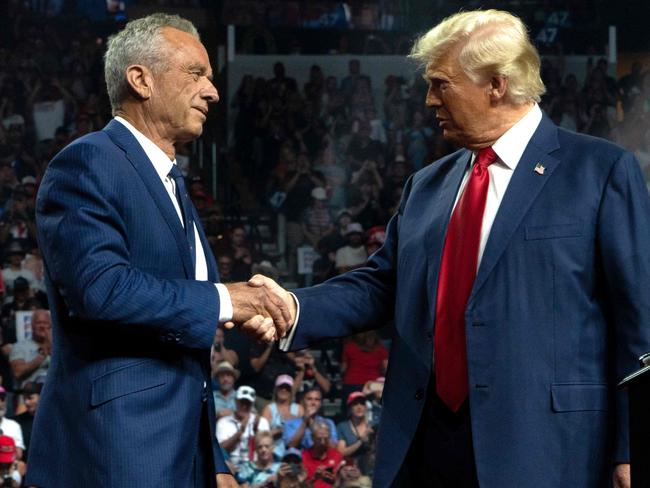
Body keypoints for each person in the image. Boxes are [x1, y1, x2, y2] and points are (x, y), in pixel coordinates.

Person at [252, 9, 650, 488]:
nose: (428, 99)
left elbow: (640, 321)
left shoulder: (600, 170)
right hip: (428, 444)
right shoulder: (427, 185)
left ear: (497, 85)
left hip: (548, 446)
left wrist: (631, 444)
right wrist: (291, 307)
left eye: (441, 84)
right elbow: (382, 285)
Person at [27, 13, 291, 488]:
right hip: (115, 450)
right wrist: (229, 300)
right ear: (141, 79)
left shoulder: (171, 183)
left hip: (181, 454)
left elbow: (181, 351)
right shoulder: (89, 161)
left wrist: (214, 459)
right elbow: (101, 289)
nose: (212, 91)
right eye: (197, 73)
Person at [216, 385, 270, 471]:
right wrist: (239, 433)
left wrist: (256, 432)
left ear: (252, 404)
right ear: (236, 401)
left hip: (255, 468)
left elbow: (266, 450)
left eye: (248, 403)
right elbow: (220, 451)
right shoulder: (223, 422)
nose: (244, 406)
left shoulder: (261, 422)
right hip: (231, 467)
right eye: (242, 402)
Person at [261, 374, 303, 459]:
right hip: (274, 453)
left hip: (295, 453)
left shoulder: (299, 408)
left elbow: (304, 431)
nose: (284, 390)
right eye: (281, 387)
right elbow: (262, 435)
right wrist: (282, 430)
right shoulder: (269, 409)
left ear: (291, 391)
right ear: (276, 389)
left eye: (287, 388)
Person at [9, 309, 51, 387]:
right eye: (38, 323)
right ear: (32, 325)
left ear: (51, 326)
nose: (42, 326)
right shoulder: (19, 346)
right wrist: (42, 356)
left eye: (45, 323)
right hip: (30, 393)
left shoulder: (59, 347)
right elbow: (18, 372)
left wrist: (51, 344)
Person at [336, 392, 374, 475]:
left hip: (370, 469)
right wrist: (360, 441)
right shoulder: (342, 426)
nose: (359, 407)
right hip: (350, 469)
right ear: (350, 408)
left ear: (366, 407)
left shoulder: (373, 426)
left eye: (362, 404)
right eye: (355, 404)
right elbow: (341, 452)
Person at [301, 421, 343, 488]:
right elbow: (301, 485)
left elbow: (341, 483)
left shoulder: (337, 456)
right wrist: (315, 478)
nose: (323, 442)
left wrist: (336, 479)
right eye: (319, 439)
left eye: (326, 439)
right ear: (312, 438)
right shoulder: (303, 457)